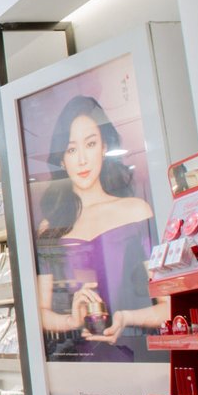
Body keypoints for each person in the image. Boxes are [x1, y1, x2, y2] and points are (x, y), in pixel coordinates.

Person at [33, 95, 168, 360]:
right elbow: (40, 312)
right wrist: (71, 321)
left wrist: (126, 318)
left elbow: (170, 306)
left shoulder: (136, 212)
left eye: (90, 144)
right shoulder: (50, 228)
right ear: (62, 159)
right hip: (78, 363)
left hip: (137, 359)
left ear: (104, 147)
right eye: (71, 149)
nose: (82, 160)